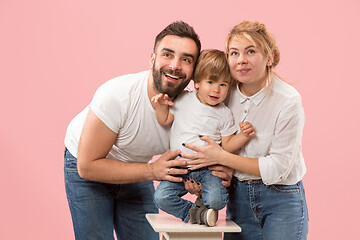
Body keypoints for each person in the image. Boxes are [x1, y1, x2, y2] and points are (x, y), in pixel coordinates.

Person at [64, 21, 229, 240]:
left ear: (194, 71)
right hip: (89, 167)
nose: (175, 65)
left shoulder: (197, 106)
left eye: (186, 59)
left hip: (137, 168)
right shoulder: (117, 95)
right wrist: (151, 171)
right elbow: (87, 166)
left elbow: (209, 150)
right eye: (167, 55)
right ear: (152, 58)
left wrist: (210, 177)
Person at [182, 21, 309, 239]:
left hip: (281, 199)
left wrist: (222, 157)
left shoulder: (287, 100)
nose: (241, 60)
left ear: (269, 57)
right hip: (237, 196)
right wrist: (202, 178)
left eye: (250, 51)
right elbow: (203, 135)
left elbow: (278, 167)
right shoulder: (222, 92)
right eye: (234, 53)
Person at [151, 49, 255, 227]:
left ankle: (205, 209)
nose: (216, 89)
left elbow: (228, 146)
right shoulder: (184, 99)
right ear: (197, 83)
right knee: (160, 198)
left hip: (208, 169)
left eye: (223, 85)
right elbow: (165, 119)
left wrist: (244, 136)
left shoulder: (224, 113)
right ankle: (192, 214)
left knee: (217, 201)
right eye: (211, 82)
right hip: (180, 167)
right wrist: (161, 107)